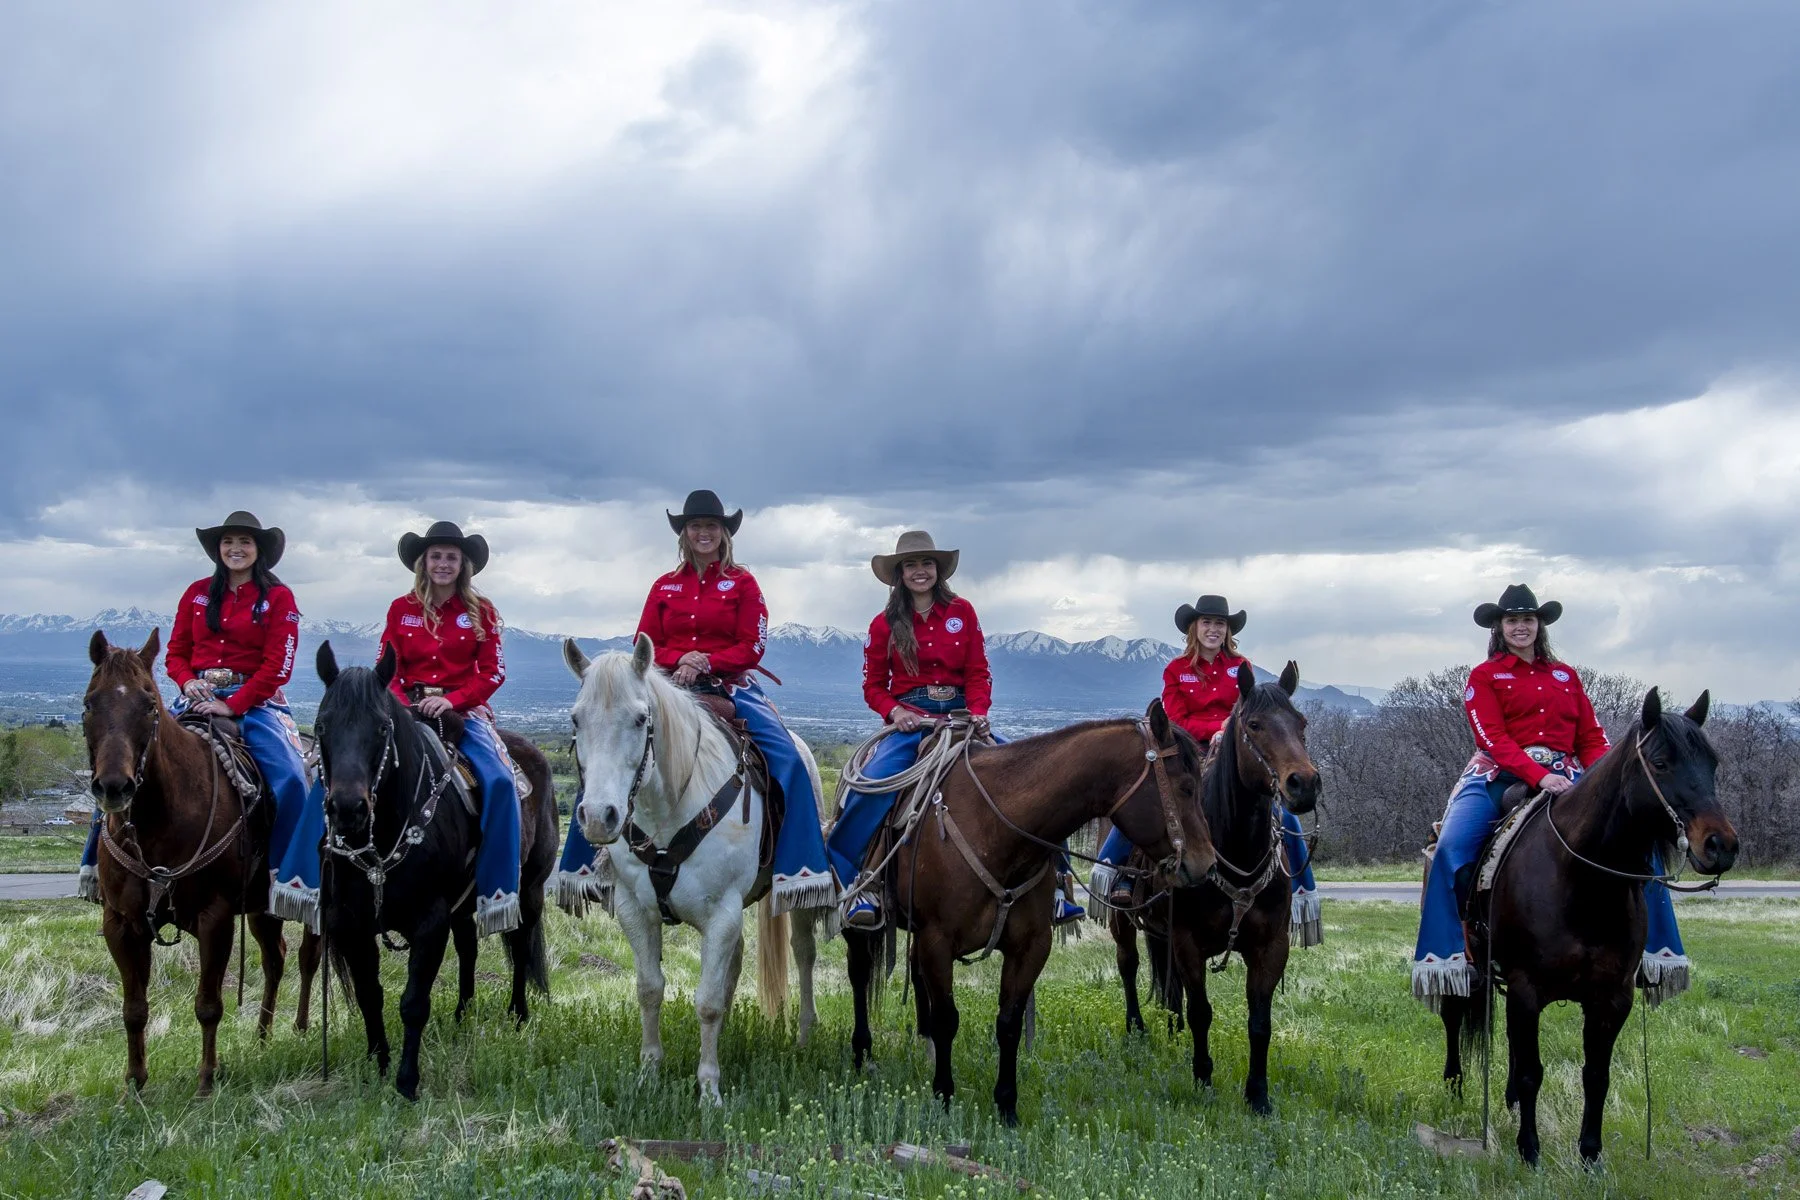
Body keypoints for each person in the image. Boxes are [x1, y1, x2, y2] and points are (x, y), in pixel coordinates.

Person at [553, 491, 836, 914]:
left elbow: (752, 646)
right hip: (667, 688)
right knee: (606, 746)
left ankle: (798, 868)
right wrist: (677, 659)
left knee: (789, 761)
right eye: (695, 526)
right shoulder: (664, 586)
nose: (703, 533)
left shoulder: (744, 584)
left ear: (724, 534)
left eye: (711, 526)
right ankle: (588, 867)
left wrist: (707, 662)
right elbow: (642, 645)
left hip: (729, 687)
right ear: (684, 534)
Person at [1411, 584, 1690, 1008]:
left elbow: (1592, 738)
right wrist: (1539, 776)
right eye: (1512, 620)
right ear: (1499, 627)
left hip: (1571, 776)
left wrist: (1602, 779)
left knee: (1641, 848)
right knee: (1451, 847)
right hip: (1497, 775)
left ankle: (1656, 955)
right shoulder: (1484, 677)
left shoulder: (1566, 676)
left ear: (1539, 624)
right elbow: (1494, 738)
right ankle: (1458, 951)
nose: (1520, 626)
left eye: (1528, 619)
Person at [827, 531, 1085, 930]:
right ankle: (857, 881)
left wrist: (979, 711)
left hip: (964, 717)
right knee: (871, 784)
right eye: (911, 565)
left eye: (926, 564)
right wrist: (895, 712)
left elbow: (978, 672)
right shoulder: (884, 625)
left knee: (1037, 779)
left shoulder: (962, 612)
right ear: (899, 574)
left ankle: (1056, 887)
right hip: (912, 721)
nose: (919, 571)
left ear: (938, 570)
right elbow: (873, 685)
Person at [78, 512, 312, 924]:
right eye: (228, 542)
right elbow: (176, 653)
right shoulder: (197, 593)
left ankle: (287, 877)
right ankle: (96, 867)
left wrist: (234, 703)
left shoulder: (279, 599)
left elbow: (279, 665)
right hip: (197, 696)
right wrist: (187, 683)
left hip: (257, 702)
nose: (235, 549)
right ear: (218, 550)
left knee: (292, 778)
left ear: (259, 551)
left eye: (244, 542)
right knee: (127, 761)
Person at [1088, 595, 1321, 943]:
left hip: (1232, 755)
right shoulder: (1176, 670)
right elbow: (1176, 717)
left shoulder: (1241, 667)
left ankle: (1303, 890)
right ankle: (1117, 872)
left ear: (1228, 631)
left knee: (1280, 813)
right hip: (1187, 752)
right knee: (1151, 805)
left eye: (1220, 624)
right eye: (1207, 623)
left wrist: (1228, 734)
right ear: (1194, 629)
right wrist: (1211, 732)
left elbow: (1248, 711)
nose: (1214, 629)